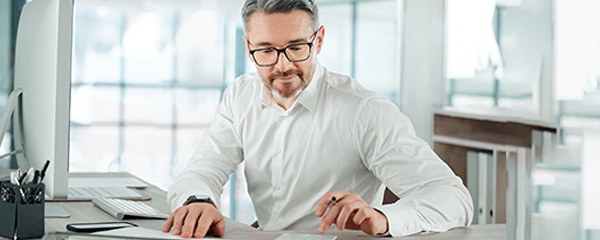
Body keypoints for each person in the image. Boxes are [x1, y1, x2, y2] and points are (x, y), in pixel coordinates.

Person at [162, 0, 473, 238]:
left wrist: (383, 216)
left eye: (296, 47)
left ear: (319, 40)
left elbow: (454, 198)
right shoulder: (240, 96)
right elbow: (202, 169)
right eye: (266, 50)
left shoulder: (364, 111)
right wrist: (196, 201)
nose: (282, 66)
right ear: (248, 46)